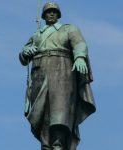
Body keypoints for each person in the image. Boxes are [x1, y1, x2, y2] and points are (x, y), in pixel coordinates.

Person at [19, 2, 96, 150]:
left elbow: (80, 44)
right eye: (48, 12)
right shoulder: (37, 35)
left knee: (59, 110)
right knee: (42, 113)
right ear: (44, 15)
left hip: (62, 70)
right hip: (39, 74)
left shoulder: (68, 29)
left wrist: (80, 57)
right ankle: (46, 145)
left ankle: (58, 144)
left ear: (58, 14)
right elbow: (23, 56)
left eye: (54, 11)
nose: (51, 13)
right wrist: (25, 52)